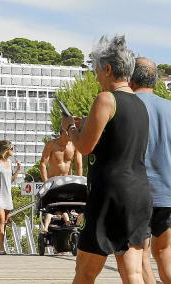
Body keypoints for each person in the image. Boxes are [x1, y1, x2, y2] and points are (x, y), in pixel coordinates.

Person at [61, 35, 152, 284]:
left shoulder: (106, 99)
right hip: (138, 193)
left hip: (110, 193)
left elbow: (84, 147)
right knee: (132, 272)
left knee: (85, 270)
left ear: (109, 68)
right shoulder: (139, 105)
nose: (96, 76)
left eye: (97, 70)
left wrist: (71, 128)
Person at [130, 57, 171, 284]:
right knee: (165, 253)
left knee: (141, 256)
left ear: (131, 78)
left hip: (138, 191)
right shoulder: (169, 108)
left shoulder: (125, 104)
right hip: (167, 190)